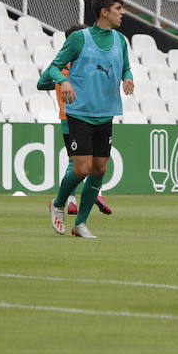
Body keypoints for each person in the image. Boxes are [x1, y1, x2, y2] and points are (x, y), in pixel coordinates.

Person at [41, 0, 135, 239]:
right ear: (105, 12)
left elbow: (126, 66)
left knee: (99, 170)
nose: (122, 12)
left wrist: (128, 78)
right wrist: (64, 81)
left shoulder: (120, 40)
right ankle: (58, 204)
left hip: (106, 114)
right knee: (81, 169)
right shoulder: (79, 39)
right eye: (118, 8)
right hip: (79, 113)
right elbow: (52, 68)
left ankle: (80, 224)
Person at [38, 25, 114, 220]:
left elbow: (42, 83)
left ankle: (74, 199)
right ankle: (72, 199)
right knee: (81, 163)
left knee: (81, 162)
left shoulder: (69, 65)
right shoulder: (68, 65)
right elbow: (42, 83)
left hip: (77, 118)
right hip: (74, 118)